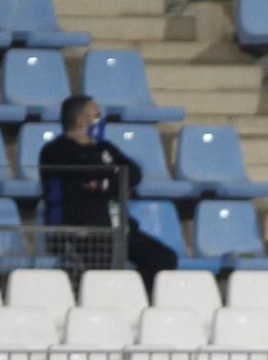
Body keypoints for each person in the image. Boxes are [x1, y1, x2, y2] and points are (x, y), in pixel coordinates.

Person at [39, 94, 177, 292]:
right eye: (97, 115)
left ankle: (131, 296)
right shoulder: (55, 151)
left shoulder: (105, 147)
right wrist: (114, 180)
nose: (101, 120)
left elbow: (133, 173)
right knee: (103, 272)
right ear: (81, 120)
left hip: (119, 226)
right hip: (83, 229)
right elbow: (85, 174)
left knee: (163, 259)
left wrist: (104, 184)